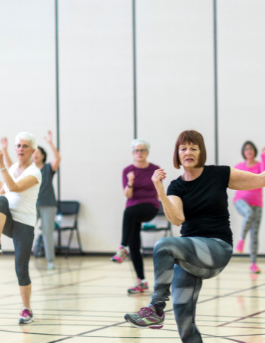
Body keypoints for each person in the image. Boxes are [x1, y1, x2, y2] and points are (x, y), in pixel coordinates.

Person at [124, 130, 265, 343]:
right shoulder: (176, 186)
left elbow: (260, 180)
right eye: (183, 148)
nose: (188, 152)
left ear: (201, 152)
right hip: (189, 255)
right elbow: (177, 218)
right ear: (177, 154)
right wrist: (160, 191)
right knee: (184, 322)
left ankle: (156, 308)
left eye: (193, 148)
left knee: (163, 245)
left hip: (217, 249)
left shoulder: (220, 174)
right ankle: (162, 313)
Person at [0, 132, 41, 324]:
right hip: (8, 220)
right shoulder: (14, 167)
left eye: (25, 146)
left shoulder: (34, 172)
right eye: (18, 146)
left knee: (21, 268)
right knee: (0, 200)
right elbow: (3, 189)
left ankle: (27, 309)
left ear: (32, 151)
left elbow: (15, 187)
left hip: (24, 225)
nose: (20, 149)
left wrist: (1, 165)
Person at [4, 131, 61, 270]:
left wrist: (50, 142)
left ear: (42, 156)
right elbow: (11, 167)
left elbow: (58, 159)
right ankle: (21, 260)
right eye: (35, 153)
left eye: (38, 153)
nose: (35, 155)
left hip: (48, 205)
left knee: (47, 233)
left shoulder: (48, 168)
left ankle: (50, 262)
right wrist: (5, 150)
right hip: (32, 206)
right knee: (23, 231)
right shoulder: (27, 169)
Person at [113, 139, 161, 294]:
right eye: (136, 150)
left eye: (142, 150)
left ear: (147, 152)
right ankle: (141, 281)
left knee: (129, 212)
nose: (139, 153)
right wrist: (130, 181)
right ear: (133, 153)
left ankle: (121, 248)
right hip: (133, 210)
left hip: (150, 207)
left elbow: (160, 190)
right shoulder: (128, 170)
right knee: (134, 245)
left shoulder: (155, 169)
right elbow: (127, 194)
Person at [233, 141, 264, 274]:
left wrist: (263, 156)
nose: (249, 151)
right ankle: (241, 239)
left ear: (254, 151)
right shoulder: (239, 166)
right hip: (240, 200)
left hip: (257, 204)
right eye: (246, 149)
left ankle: (253, 264)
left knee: (255, 235)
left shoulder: (258, 166)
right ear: (243, 152)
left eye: (251, 148)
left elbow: (263, 174)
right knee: (248, 213)